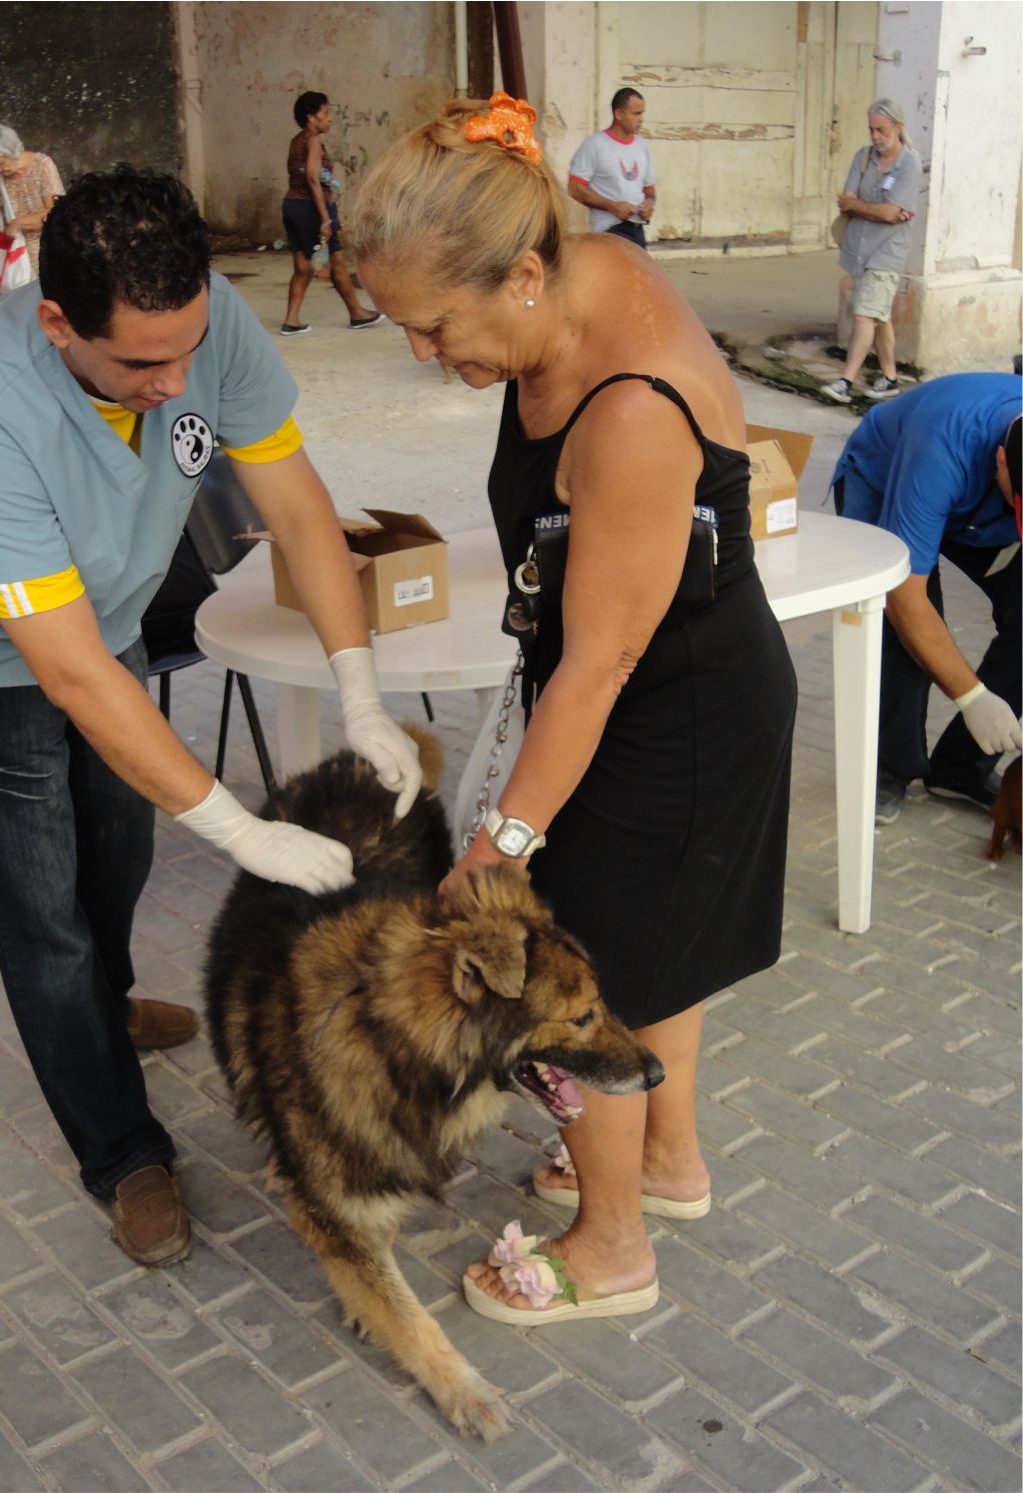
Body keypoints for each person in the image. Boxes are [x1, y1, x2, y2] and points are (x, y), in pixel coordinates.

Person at [0, 166, 421, 1269]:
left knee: (116, 848)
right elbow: (69, 675)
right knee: (44, 911)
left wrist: (360, 690)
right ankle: (121, 1150)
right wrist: (243, 830)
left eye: (188, 348)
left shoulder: (204, 330)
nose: (176, 381)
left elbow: (296, 502)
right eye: (139, 363)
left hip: (104, 607)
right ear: (58, 319)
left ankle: (104, 1007)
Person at [352, 96, 797, 1323]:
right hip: (650, 686)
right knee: (660, 951)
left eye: (438, 327)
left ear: (527, 275)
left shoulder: (632, 412)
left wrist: (499, 844)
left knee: (575, 969)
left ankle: (610, 1249)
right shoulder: (571, 272)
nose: (429, 354)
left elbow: (598, 665)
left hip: (671, 712)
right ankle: (664, 1161)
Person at [831, 373, 1021, 824]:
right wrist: (972, 696)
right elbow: (907, 600)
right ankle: (889, 766)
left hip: (982, 509)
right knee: (900, 626)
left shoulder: (1006, 474)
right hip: (885, 480)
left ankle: (959, 769)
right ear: (1001, 460)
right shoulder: (943, 446)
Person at [822, 100, 921, 404]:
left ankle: (845, 382)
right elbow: (847, 201)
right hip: (860, 248)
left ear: (898, 128)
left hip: (887, 253)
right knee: (879, 314)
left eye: (882, 129)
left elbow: (891, 213)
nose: (876, 136)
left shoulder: (909, 164)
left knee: (864, 315)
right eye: (871, 129)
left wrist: (867, 208)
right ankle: (890, 377)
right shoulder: (863, 157)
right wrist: (877, 211)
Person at [280, 91, 383, 336]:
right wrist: (325, 216)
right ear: (311, 117)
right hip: (310, 208)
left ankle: (291, 320)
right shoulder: (313, 140)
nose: (330, 119)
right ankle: (357, 313)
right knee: (336, 260)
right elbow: (313, 179)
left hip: (292, 206)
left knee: (303, 266)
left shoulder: (297, 140)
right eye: (325, 113)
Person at [0, 123, 64, 278]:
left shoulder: (42, 166)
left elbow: (55, 212)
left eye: (1, 162)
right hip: (15, 257)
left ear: (14, 152)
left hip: (48, 252)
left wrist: (17, 223)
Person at [567, 87, 655, 250]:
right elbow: (574, 188)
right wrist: (611, 206)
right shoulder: (595, 145)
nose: (641, 119)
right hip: (609, 229)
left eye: (642, 113)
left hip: (637, 228)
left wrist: (650, 203)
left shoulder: (643, 146)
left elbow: (649, 188)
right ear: (619, 114)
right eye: (636, 114)